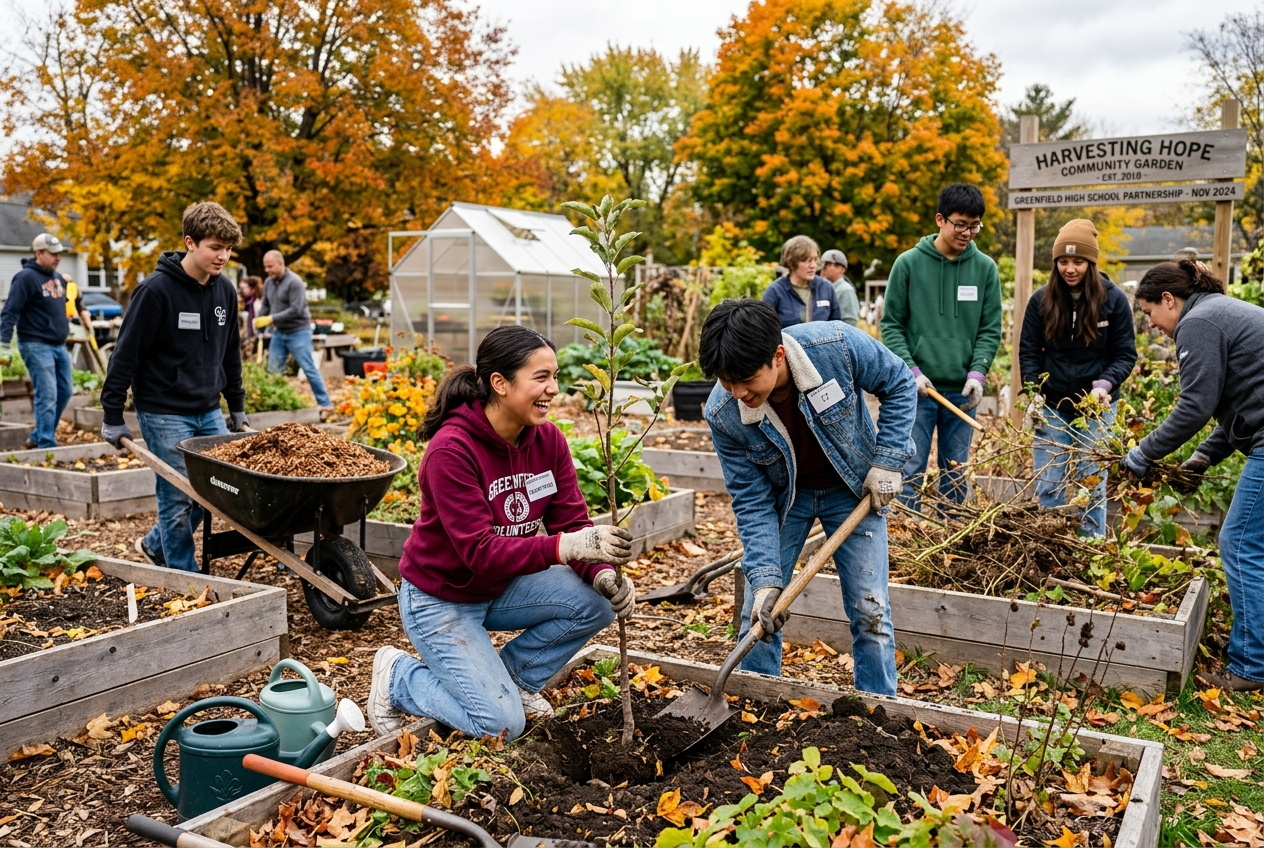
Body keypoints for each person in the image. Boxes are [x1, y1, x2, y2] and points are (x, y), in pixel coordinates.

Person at [366, 325, 636, 739]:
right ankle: (398, 678)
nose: (553, 389)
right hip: (442, 599)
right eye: (541, 378)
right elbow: (481, 552)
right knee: (502, 725)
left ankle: (514, 681)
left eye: (556, 376)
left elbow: (570, 520)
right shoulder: (451, 450)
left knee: (597, 602)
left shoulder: (548, 441)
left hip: (500, 588)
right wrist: (567, 547)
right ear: (500, 383)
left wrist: (599, 571)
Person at [698, 299, 916, 695]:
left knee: (871, 608)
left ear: (777, 355)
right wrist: (765, 580)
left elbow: (899, 382)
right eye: (727, 382)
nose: (737, 392)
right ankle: (759, 701)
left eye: (746, 380)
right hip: (787, 499)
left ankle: (879, 708)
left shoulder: (836, 345)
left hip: (852, 488)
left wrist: (887, 461)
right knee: (759, 610)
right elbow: (751, 499)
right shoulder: (724, 412)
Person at [1121, 260, 1264, 691]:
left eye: (1149, 312)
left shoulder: (1198, 322)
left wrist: (1141, 453)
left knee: (1238, 541)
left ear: (1169, 299)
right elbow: (1238, 400)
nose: (1150, 324)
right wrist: (1203, 456)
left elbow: (1196, 404)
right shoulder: (1219, 312)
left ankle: (1251, 668)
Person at [99, 202, 249, 573]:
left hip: (208, 408)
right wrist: (112, 414)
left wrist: (237, 407)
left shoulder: (225, 292)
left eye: (228, 249)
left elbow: (231, 354)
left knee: (217, 488)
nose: (223, 256)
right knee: (178, 494)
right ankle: (183, 573)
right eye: (215, 247)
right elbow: (125, 355)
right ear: (190, 243)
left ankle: (155, 545)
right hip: (163, 411)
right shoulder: (155, 292)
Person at [881, 183, 1002, 509]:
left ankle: (949, 545)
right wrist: (911, 370)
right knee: (910, 468)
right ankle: (905, 538)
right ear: (940, 219)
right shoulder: (908, 264)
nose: (967, 232)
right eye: (960, 224)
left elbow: (990, 330)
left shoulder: (985, 269)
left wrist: (977, 373)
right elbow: (891, 325)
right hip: (917, 390)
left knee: (956, 472)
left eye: (974, 225)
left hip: (961, 393)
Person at [1019, 220, 1137, 537]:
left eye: (1078, 261)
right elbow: (1029, 351)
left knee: (1091, 483)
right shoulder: (1041, 301)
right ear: (1056, 263)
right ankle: (1050, 546)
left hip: (1095, 406)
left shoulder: (1113, 301)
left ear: (1091, 263)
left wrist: (1104, 385)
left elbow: (1125, 354)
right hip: (1052, 404)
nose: (1070, 269)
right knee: (1049, 482)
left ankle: (1091, 550)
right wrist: (1033, 392)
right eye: (1063, 261)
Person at [0, 233, 93, 448]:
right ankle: (45, 444)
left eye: (59, 253)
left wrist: (83, 309)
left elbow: (74, 295)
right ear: (39, 253)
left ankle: (38, 435)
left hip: (59, 345)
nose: (58, 257)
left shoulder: (57, 278)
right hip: (35, 344)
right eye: (53, 254)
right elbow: (9, 311)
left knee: (66, 390)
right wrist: (4, 344)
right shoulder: (25, 278)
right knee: (47, 394)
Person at [253, 251, 332, 410]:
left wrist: (272, 319)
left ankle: (325, 404)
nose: (267, 270)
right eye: (265, 267)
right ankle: (275, 406)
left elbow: (296, 310)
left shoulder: (295, 282)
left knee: (308, 368)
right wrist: (260, 321)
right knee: (273, 371)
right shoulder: (268, 282)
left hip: (298, 332)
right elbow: (266, 306)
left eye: (270, 266)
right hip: (279, 333)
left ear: (281, 264)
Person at [762, 235, 841, 328]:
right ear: (791, 263)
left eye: (815, 259)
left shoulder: (826, 287)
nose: (813, 265)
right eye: (807, 260)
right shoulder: (774, 291)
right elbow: (764, 330)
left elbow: (837, 327)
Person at [820, 249, 860, 327]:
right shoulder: (826, 289)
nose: (822, 269)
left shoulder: (845, 290)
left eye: (827, 265)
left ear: (842, 269)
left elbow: (850, 322)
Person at [239, 275, 265, 360]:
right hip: (253, 332)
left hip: (259, 333)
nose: (242, 291)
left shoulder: (257, 301)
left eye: (244, 288)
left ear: (252, 288)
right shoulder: (249, 301)